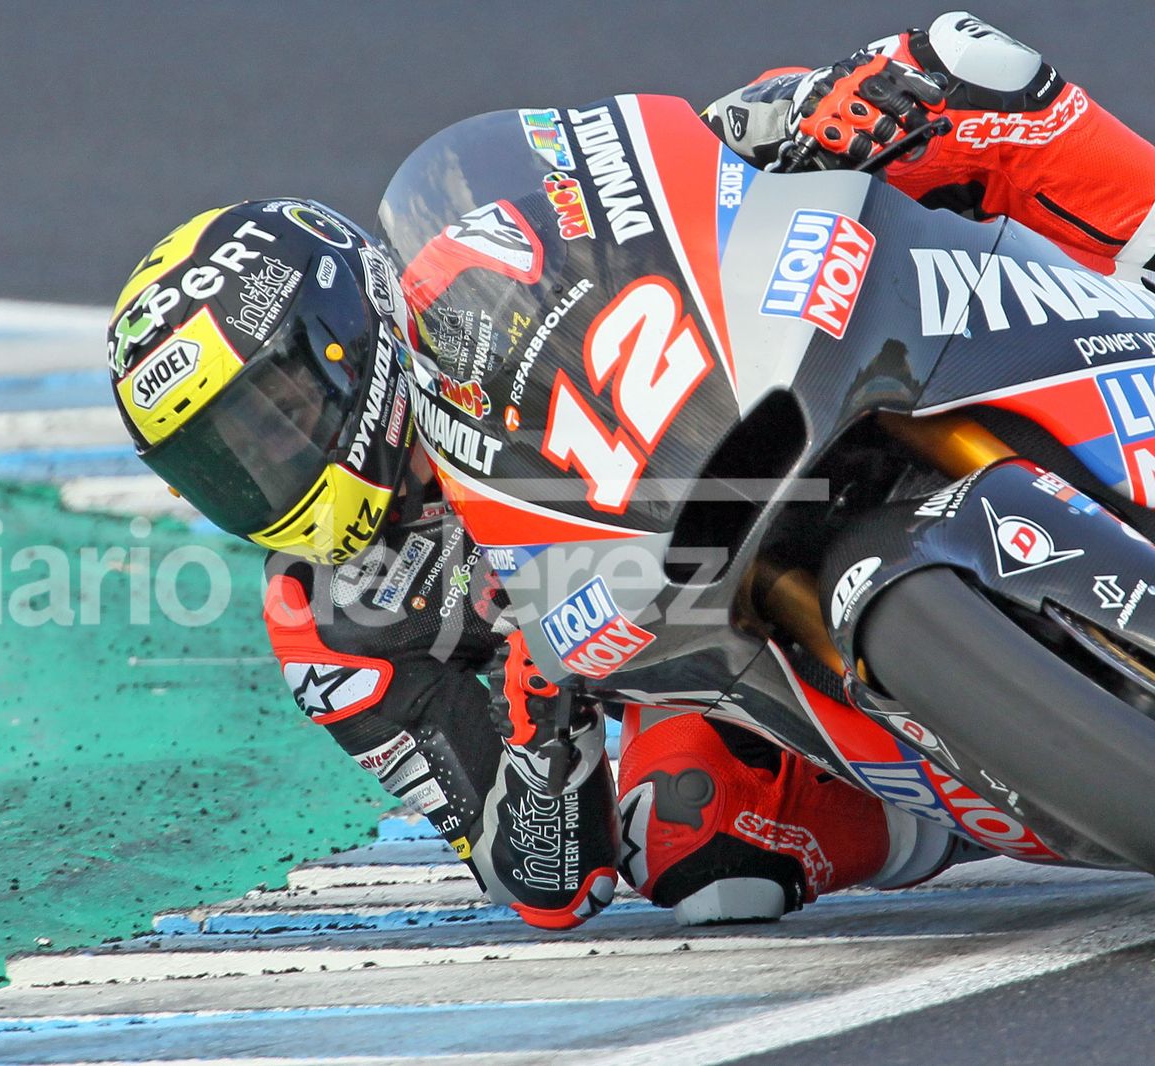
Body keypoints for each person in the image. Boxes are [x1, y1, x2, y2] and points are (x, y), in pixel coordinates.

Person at [106, 12, 1155, 928]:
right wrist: (540, 713)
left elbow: (648, 172)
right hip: (697, 634)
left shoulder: (477, 265)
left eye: (275, 420)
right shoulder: (336, 622)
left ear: (345, 334)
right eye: (226, 463)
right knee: (691, 847)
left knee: (964, 63)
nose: (268, 472)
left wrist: (818, 114)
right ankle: (1001, 782)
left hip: (772, 377)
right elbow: (541, 882)